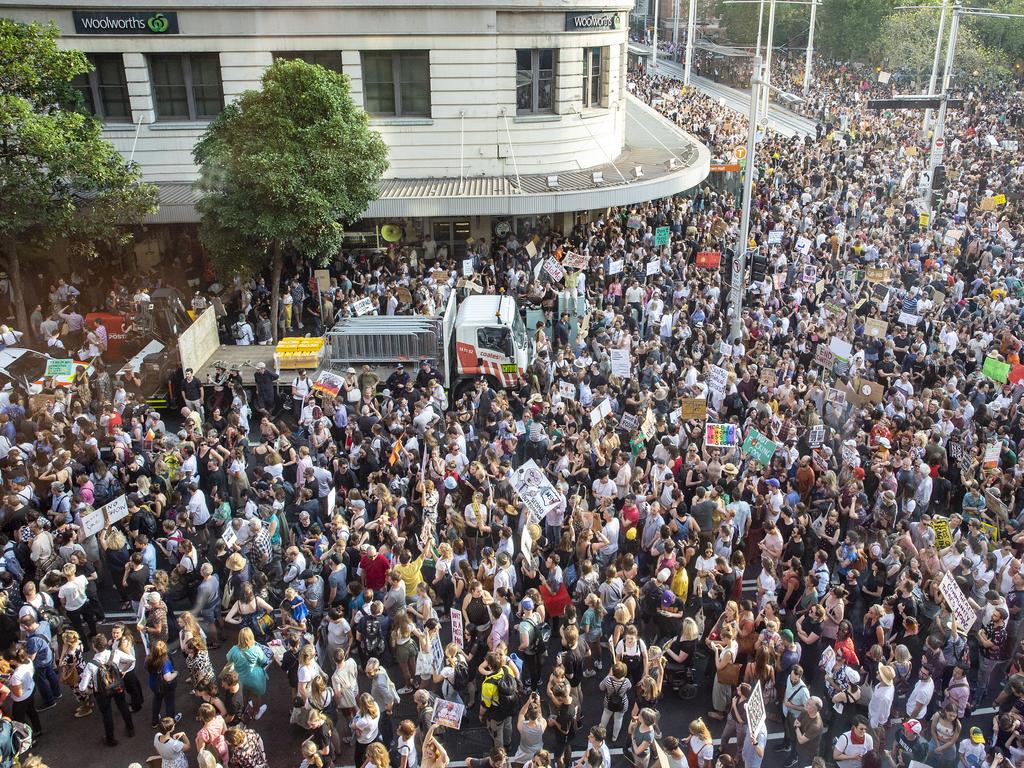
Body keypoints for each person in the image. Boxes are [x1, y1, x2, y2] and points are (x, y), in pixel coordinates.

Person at [79, 633, 134, 747]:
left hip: (101, 692)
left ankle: (110, 739)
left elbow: (82, 687)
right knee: (123, 705)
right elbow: (131, 660)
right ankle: (130, 729)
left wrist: (90, 689)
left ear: (94, 647)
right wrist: (122, 670)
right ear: (105, 644)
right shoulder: (115, 653)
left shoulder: (91, 665)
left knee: (106, 714)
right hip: (117, 685)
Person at [225, 627, 268, 721]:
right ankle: (256, 712)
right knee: (255, 696)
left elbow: (228, 659)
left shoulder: (234, 649)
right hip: (254, 678)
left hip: (240, 678)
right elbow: (264, 660)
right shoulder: (256, 649)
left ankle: (243, 710)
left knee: (243, 694)